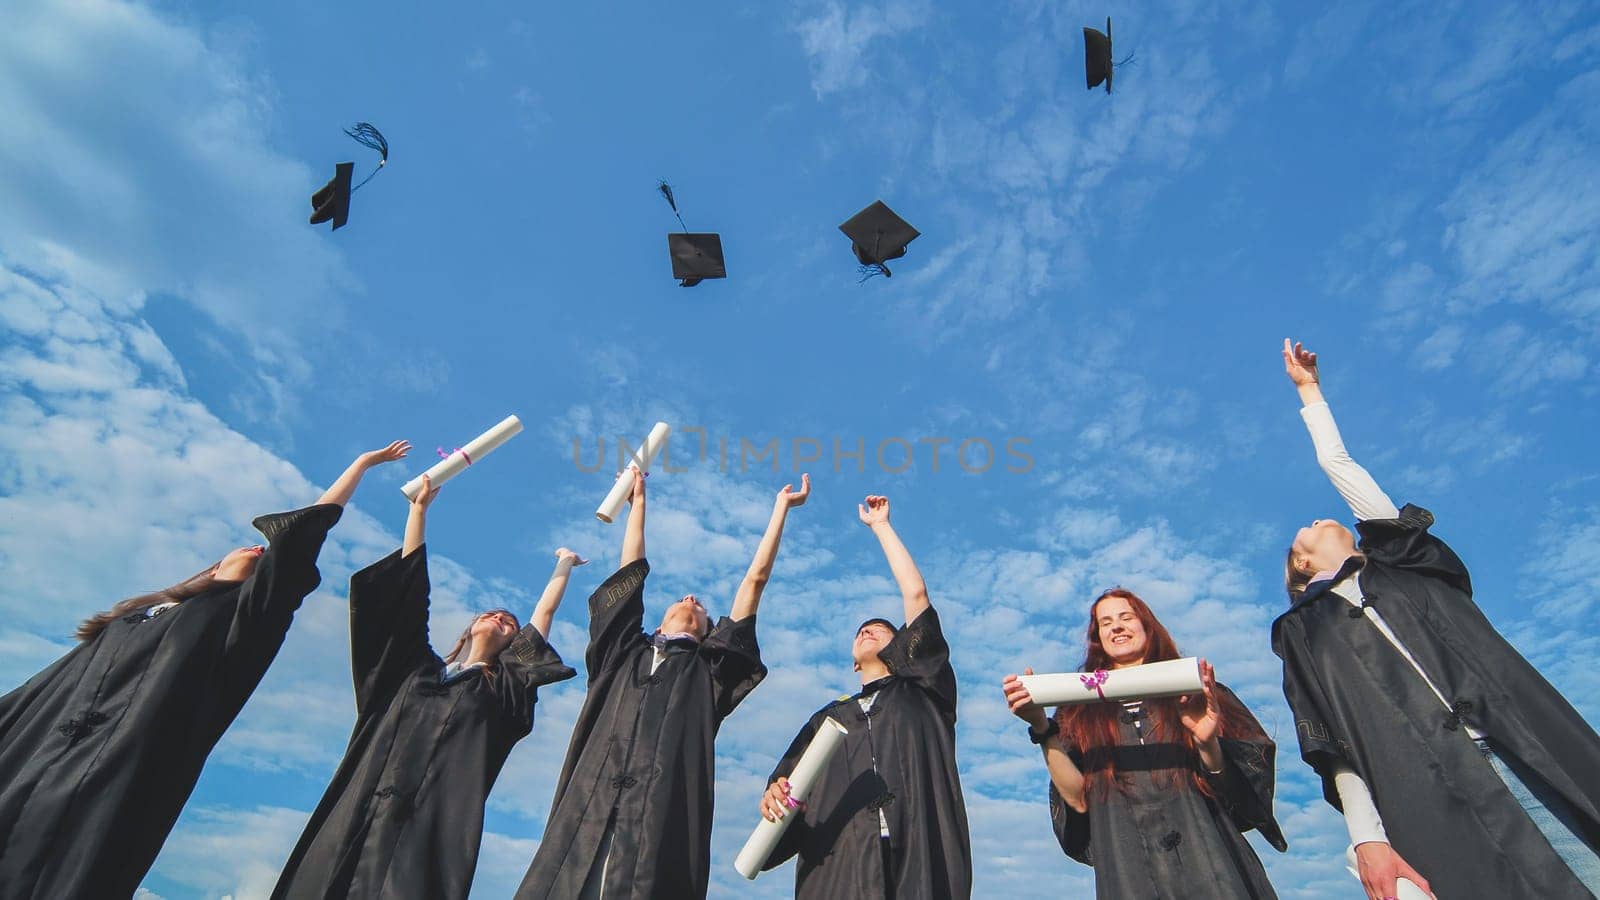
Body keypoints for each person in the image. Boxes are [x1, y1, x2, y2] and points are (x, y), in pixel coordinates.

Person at [0, 440, 409, 899]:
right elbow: (43, 691)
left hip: (127, 764)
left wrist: (361, 463)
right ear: (212, 566)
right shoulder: (132, 618)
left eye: (265, 555)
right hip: (37, 756)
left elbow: (298, 541)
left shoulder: (245, 619)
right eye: (249, 546)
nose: (259, 549)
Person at [1275, 338, 1600, 899]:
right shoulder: (1303, 630)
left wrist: (1310, 393)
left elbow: (1339, 466)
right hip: (1434, 797)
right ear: (1300, 561)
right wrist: (1365, 840)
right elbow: (1332, 744)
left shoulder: (1406, 566)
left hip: (1528, 749)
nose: (1319, 516)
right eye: (1307, 527)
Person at [271, 474, 581, 899]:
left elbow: (542, 616)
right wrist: (418, 513)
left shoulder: (504, 692)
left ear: (515, 643)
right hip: (357, 812)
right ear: (470, 625)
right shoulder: (412, 672)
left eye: (511, 623)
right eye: (493, 614)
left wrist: (563, 564)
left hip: (429, 835)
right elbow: (409, 599)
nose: (503, 620)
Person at [516, 469, 808, 900]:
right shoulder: (621, 656)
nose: (692, 600)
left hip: (656, 830)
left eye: (702, 606)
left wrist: (780, 510)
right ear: (659, 617)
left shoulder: (709, 673)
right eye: (684, 598)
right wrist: (639, 505)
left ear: (711, 631)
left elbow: (754, 585)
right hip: (585, 816)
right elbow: (630, 573)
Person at [1002, 589, 1285, 899]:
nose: (1117, 627)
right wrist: (1043, 728)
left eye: (1126, 617)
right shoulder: (1077, 711)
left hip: (1214, 864)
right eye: (1105, 622)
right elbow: (1079, 801)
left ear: (1148, 626)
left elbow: (1241, 797)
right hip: (1130, 870)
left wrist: (1207, 744)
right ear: (1098, 638)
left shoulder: (1195, 692)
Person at [759, 494, 971, 899]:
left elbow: (917, 597)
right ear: (854, 662)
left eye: (881, 629)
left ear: (903, 647)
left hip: (918, 859)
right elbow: (785, 787)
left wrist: (881, 527)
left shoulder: (925, 692)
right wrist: (773, 794)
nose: (867, 630)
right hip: (841, 871)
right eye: (860, 630)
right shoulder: (825, 721)